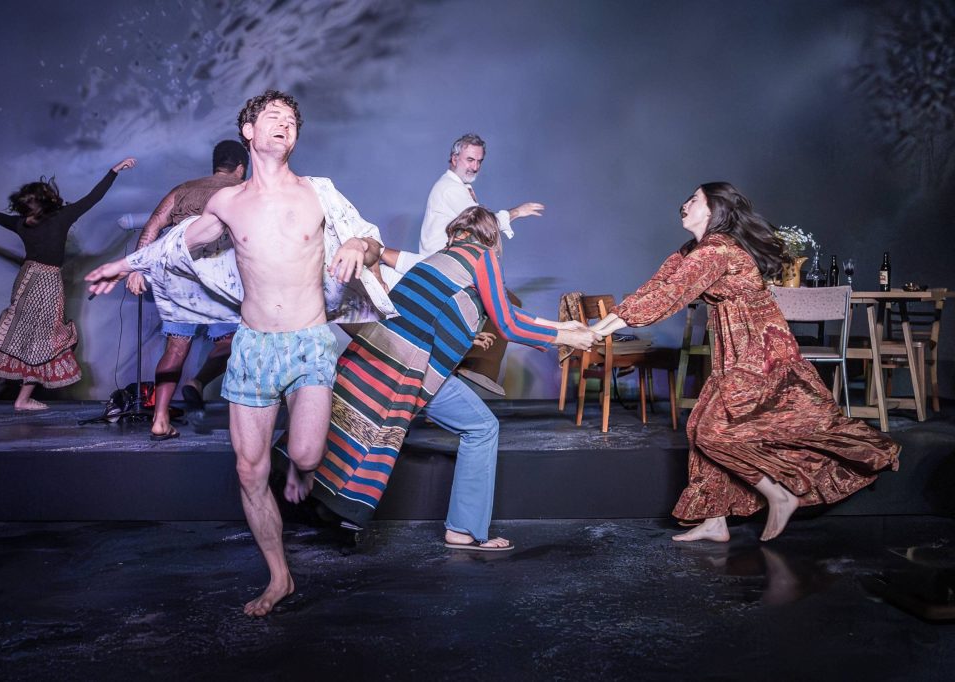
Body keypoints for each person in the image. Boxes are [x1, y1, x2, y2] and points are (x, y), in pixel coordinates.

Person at [85, 90, 392, 617]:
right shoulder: (227, 203)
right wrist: (124, 264)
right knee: (250, 471)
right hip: (252, 346)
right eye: (273, 116)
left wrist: (356, 247)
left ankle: (300, 470)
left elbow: (371, 240)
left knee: (306, 456)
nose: (284, 123)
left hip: (308, 342)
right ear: (249, 132)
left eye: (291, 119)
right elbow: (177, 244)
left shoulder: (318, 193)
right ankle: (279, 576)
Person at [593, 182, 900, 542]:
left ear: (715, 210)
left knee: (711, 432)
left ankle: (779, 494)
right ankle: (715, 519)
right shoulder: (694, 250)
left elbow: (668, 298)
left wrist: (595, 331)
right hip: (734, 353)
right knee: (702, 426)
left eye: (694, 199)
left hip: (759, 353)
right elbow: (656, 288)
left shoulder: (717, 250)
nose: (684, 204)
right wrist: (596, 329)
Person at [310, 206, 599, 551]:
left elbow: (497, 312)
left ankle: (326, 505)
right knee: (482, 428)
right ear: (490, 237)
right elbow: (507, 324)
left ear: (457, 233)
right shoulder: (482, 256)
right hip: (410, 371)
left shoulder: (442, 259)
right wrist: (567, 337)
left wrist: (562, 326)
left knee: (472, 427)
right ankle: (463, 530)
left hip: (380, 361)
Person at [0, 157, 136, 411]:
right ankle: (23, 398)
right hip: (46, 283)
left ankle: (22, 397)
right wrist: (114, 171)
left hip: (27, 280)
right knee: (42, 340)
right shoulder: (60, 218)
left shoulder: (23, 223)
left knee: (32, 337)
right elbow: (93, 198)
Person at [384, 133, 544, 395]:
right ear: (454, 158)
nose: (474, 166)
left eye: (479, 161)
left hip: (454, 266)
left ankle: (474, 364)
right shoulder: (450, 189)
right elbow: (485, 225)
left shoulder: (460, 188)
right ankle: (474, 364)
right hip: (446, 268)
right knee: (505, 303)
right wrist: (517, 212)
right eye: (470, 159)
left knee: (501, 303)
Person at [125, 140, 249, 440]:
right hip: (219, 276)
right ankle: (198, 382)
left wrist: (137, 268)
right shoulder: (243, 190)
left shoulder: (182, 189)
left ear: (215, 164)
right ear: (241, 167)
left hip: (179, 274)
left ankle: (160, 419)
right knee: (232, 341)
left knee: (176, 347)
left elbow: (153, 225)